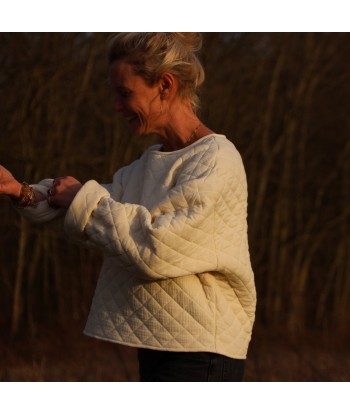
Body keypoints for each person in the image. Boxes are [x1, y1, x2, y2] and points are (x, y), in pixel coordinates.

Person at [0, 32, 256, 382]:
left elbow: (155, 246)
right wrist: (20, 191)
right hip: (159, 344)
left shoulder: (215, 161)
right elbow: (96, 220)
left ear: (164, 86)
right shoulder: (147, 165)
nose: (116, 107)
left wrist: (84, 200)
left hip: (201, 353)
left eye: (125, 93)